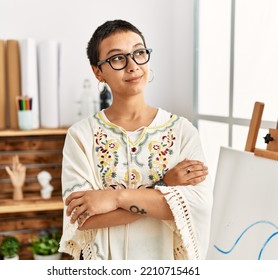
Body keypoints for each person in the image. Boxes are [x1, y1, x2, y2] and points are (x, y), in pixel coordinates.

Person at [59, 19, 213, 260]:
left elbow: (195, 207)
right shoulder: (81, 136)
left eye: (139, 53)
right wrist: (165, 189)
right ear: (98, 71)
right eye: (118, 58)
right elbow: (82, 219)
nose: (133, 66)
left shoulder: (183, 132)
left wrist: (114, 197)